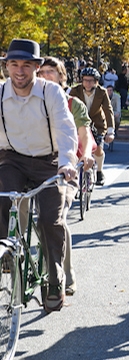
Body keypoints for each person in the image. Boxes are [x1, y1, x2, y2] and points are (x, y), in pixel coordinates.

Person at [0, 39, 79, 312]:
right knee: (3, 202)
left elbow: (67, 131)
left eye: (26, 65)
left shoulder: (51, 93)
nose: (19, 71)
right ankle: (8, 257)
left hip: (50, 161)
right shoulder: (0, 94)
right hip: (13, 159)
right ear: (6, 66)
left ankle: (56, 280)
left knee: (49, 220)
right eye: (13, 64)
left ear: (36, 67)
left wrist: (67, 163)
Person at [37, 56, 96, 296]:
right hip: (33, 166)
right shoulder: (31, 100)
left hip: (65, 169)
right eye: (41, 71)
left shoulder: (73, 104)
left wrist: (87, 154)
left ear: (62, 77)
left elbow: (84, 134)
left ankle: (66, 275)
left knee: (56, 219)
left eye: (51, 71)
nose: (45, 75)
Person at [70, 67, 115, 186]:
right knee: (77, 150)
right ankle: (76, 177)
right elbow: (67, 107)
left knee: (98, 150)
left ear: (96, 81)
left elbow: (108, 110)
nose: (88, 83)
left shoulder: (102, 92)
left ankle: (99, 171)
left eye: (91, 80)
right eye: (85, 80)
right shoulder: (75, 91)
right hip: (79, 124)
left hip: (97, 125)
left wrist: (110, 131)